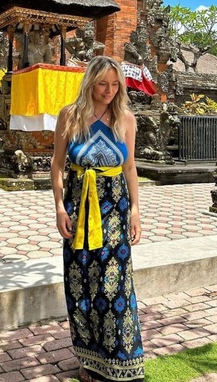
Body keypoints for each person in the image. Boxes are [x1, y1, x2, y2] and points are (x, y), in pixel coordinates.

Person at [50, 55, 144, 382]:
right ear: (90, 82)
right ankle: (89, 360)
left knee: (115, 285)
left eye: (115, 84)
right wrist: (59, 208)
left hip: (115, 210)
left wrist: (135, 210)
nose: (109, 90)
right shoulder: (70, 116)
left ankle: (121, 360)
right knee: (81, 284)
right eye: (103, 83)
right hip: (78, 208)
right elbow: (57, 165)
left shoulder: (125, 118)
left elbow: (129, 167)